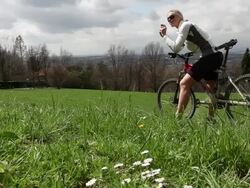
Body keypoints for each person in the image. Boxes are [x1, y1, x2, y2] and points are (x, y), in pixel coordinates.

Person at [159, 9, 223, 119]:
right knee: (210, 88)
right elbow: (188, 46)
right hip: (214, 57)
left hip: (209, 57)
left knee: (184, 84)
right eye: (168, 19)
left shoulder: (185, 25)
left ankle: (177, 119)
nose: (170, 20)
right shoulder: (186, 28)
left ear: (180, 16)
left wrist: (164, 36)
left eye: (172, 16)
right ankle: (211, 119)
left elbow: (176, 47)